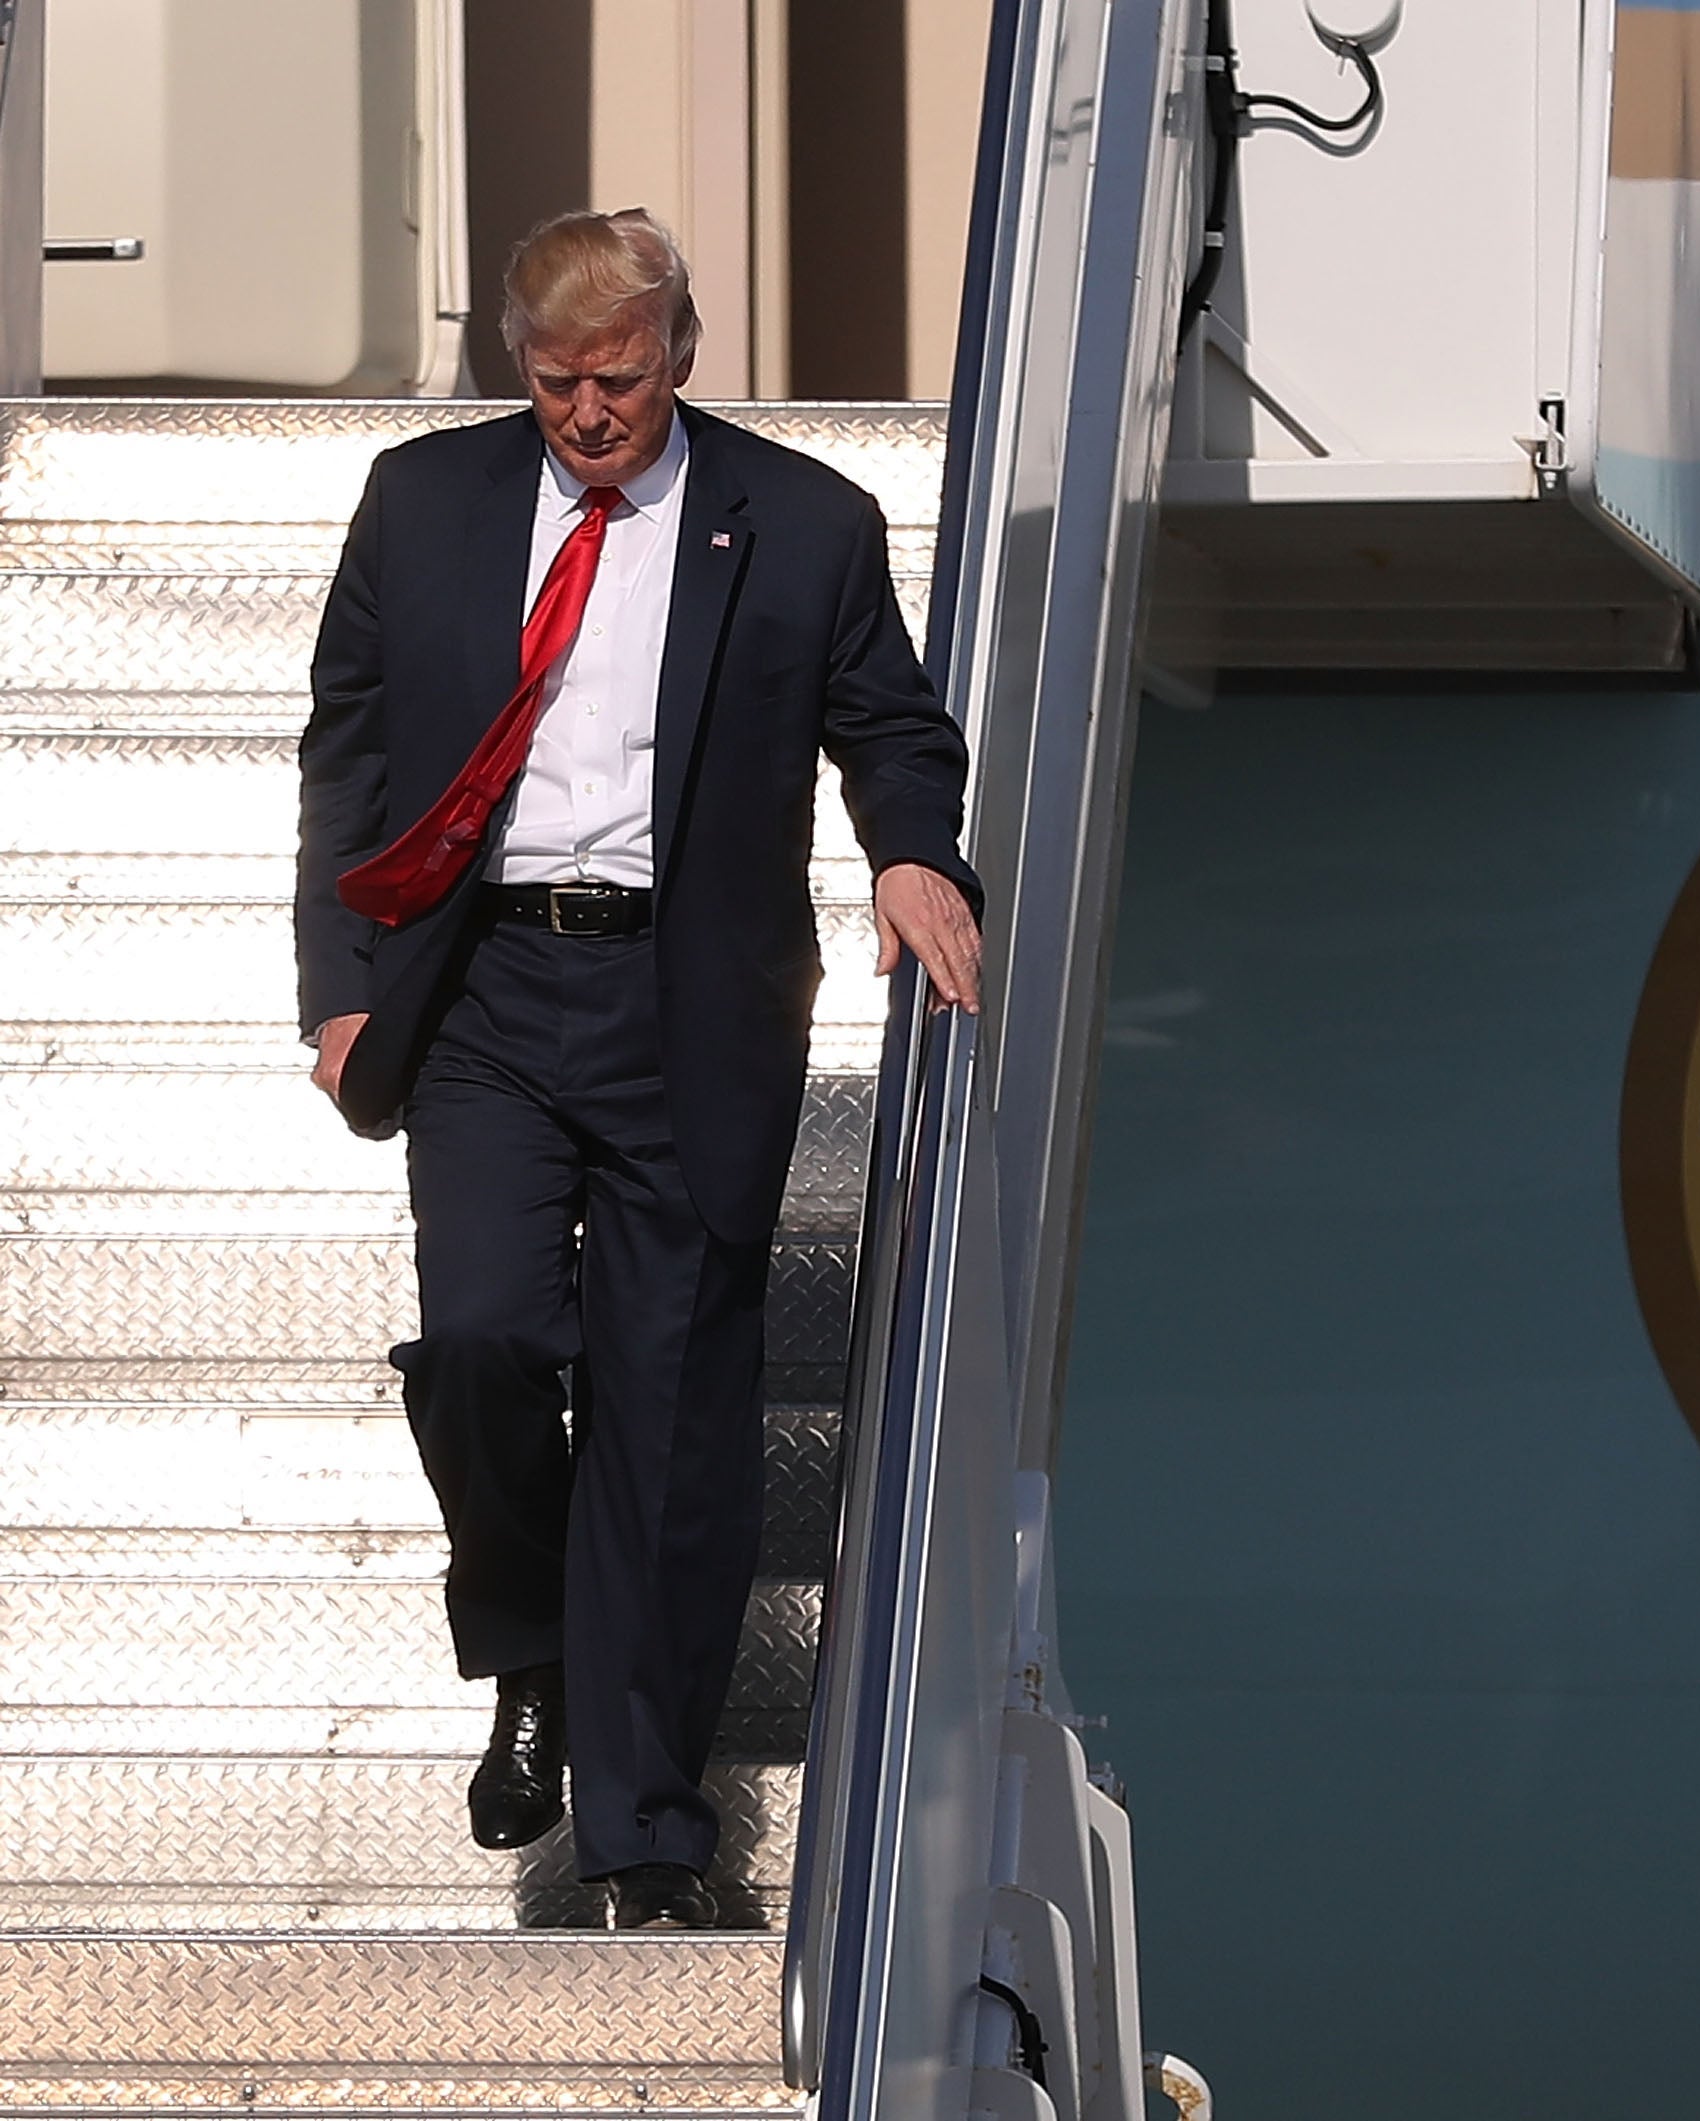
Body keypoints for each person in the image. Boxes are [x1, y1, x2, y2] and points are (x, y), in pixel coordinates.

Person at [294, 208, 982, 1930]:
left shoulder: (804, 524)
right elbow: (351, 748)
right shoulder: (424, 501)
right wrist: (337, 981)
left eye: (616, 378)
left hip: (690, 1001)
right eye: (554, 382)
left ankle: (648, 1824)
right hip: (481, 999)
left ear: (681, 350)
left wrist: (912, 854)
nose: (588, 414)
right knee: (483, 1342)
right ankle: (528, 1636)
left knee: (671, 1429)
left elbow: (889, 722)